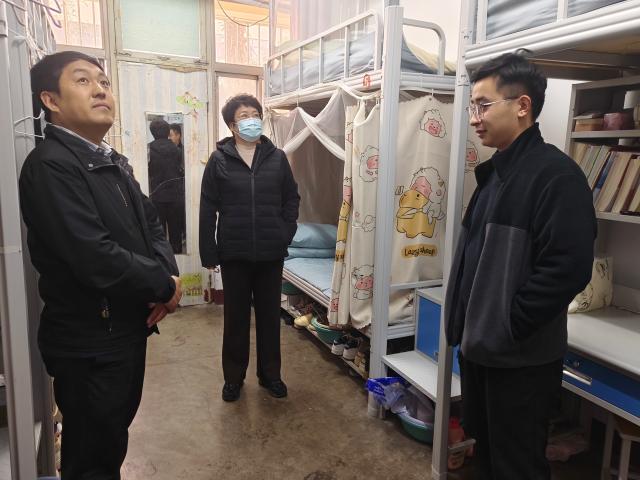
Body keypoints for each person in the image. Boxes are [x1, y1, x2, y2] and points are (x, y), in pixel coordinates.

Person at [19, 51, 183, 480]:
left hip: (122, 331)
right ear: (51, 100)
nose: (100, 90)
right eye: (83, 81)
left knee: (109, 443)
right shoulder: (51, 166)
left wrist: (167, 275)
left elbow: (151, 223)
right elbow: (94, 255)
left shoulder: (110, 161)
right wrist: (163, 286)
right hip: (90, 341)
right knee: (92, 458)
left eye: (104, 82)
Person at [443, 52, 597, 479]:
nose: (474, 118)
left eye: (483, 105)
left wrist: (508, 324)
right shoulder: (494, 175)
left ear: (522, 106)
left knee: (517, 465)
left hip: (519, 359)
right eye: (472, 107)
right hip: (482, 351)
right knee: (487, 454)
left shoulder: (556, 176)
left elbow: (568, 268)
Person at [199, 94, 300, 402]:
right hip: (235, 253)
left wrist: (285, 233)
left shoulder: (277, 158)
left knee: (270, 317)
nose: (252, 119)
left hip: (271, 252)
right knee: (236, 319)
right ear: (232, 125)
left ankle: (270, 375)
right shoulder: (218, 160)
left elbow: (291, 198)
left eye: (255, 114)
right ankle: (233, 378)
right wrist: (209, 251)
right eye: (244, 115)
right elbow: (207, 207)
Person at [148, 119, 185, 254]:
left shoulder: (148, 149)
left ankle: (163, 260)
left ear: (152, 132)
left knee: (159, 234)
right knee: (176, 233)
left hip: (156, 196)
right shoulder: (178, 150)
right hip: (176, 196)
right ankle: (178, 258)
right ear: (167, 132)